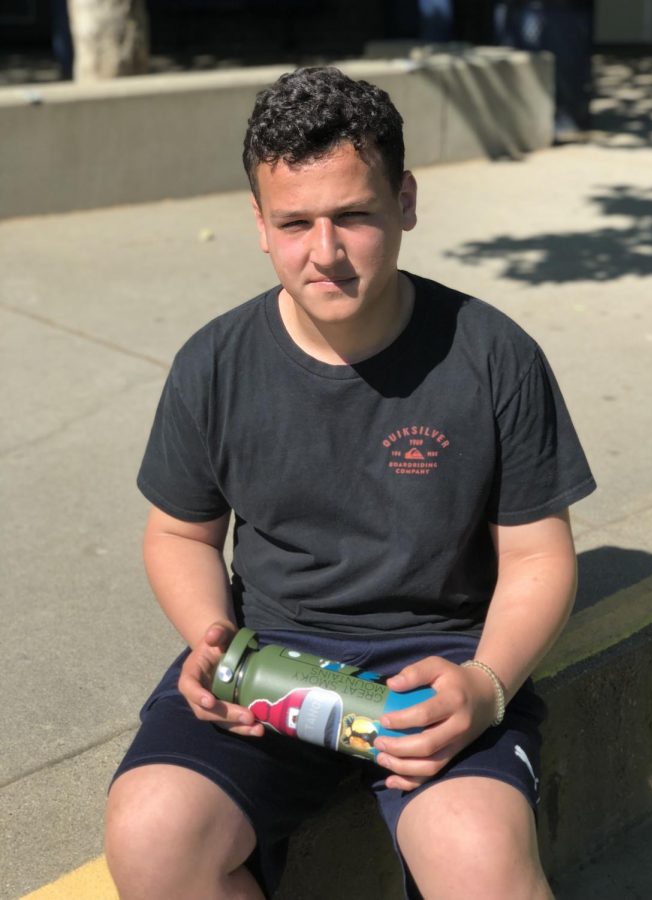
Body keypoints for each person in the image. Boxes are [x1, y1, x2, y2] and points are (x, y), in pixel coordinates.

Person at [104, 66, 595, 899]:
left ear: (404, 201)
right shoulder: (214, 364)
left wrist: (487, 684)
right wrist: (211, 639)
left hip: (435, 669)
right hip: (270, 661)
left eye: (353, 216)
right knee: (151, 830)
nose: (323, 252)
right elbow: (180, 533)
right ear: (258, 223)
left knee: (480, 864)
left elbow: (539, 557)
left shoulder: (489, 354)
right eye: (294, 222)